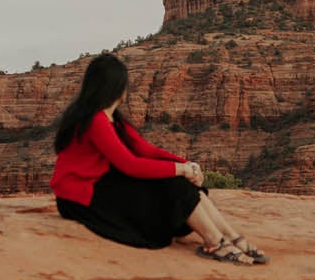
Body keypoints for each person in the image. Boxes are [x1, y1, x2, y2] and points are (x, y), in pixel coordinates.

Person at [50, 52, 269, 265]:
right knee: (173, 184)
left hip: (100, 183)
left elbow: (145, 150)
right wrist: (179, 170)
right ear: (117, 88)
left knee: (178, 182)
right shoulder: (96, 120)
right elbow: (130, 165)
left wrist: (186, 165)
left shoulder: (113, 119)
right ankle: (214, 241)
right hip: (81, 197)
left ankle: (230, 236)